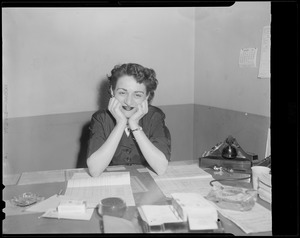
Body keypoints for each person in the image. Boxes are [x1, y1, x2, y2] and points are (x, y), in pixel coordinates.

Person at [87, 63, 171, 177]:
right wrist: (120, 124)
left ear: (146, 97)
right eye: (122, 92)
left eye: (137, 95)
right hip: (113, 182)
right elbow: (94, 170)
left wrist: (134, 124)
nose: (129, 102)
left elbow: (161, 168)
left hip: (148, 181)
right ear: (112, 91)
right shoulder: (101, 118)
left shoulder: (155, 116)